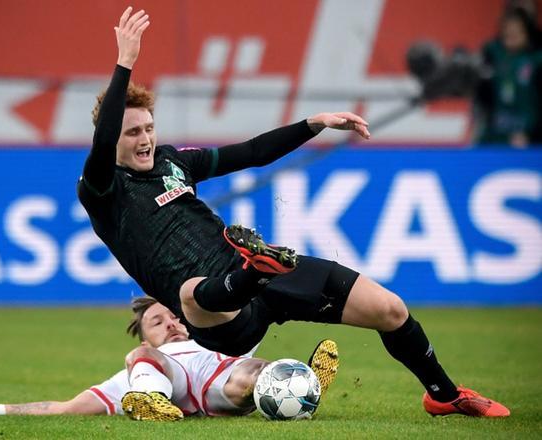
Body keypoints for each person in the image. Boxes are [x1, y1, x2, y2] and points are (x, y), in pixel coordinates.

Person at [77, 6, 510, 418]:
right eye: (133, 131)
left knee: (390, 309)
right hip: (221, 317)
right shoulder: (102, 189)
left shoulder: (174, 162)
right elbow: (104, 141)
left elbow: (250, 152)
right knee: (191, 293)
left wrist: (313, 123)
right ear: (112, 137)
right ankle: (255, 271)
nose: (145, 138)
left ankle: (445, 397)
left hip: (263, 274)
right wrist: (125, 62)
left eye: (149, 127)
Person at [0, 297, 340, 421]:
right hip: (179, 385)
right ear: (145, 331)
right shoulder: (141, 361)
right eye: (156, 320)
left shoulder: (210, 335)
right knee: (143, 361)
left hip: (218, 375)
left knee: (255, 371)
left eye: (173, 316)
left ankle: (303, 385)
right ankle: (153, 403)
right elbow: (65, 407)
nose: (170, 323)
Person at [474, 6, 542, 147]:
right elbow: (481, 97)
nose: (511, 33)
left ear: (527, 31)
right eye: (507, 28)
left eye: (517, 29)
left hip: (530, 136)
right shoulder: (491, 54)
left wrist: (531, 134)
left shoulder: (537, 60)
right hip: (494, 134)